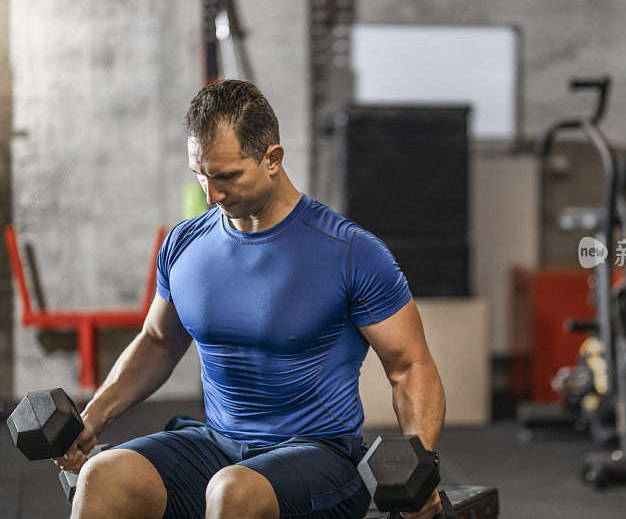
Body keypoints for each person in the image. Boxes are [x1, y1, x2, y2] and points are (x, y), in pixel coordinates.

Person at [53, 79, 447, 519]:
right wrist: (92, 421)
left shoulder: (350, 251)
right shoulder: (184, 243)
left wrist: (421, 470)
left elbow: (410, 366)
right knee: (103, 476)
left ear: (272, 159)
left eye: (226, 176)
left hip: (320, 457)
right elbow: (159, 341)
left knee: (232, 491)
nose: (212, 194)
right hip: (216, 447)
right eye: (200, 174)